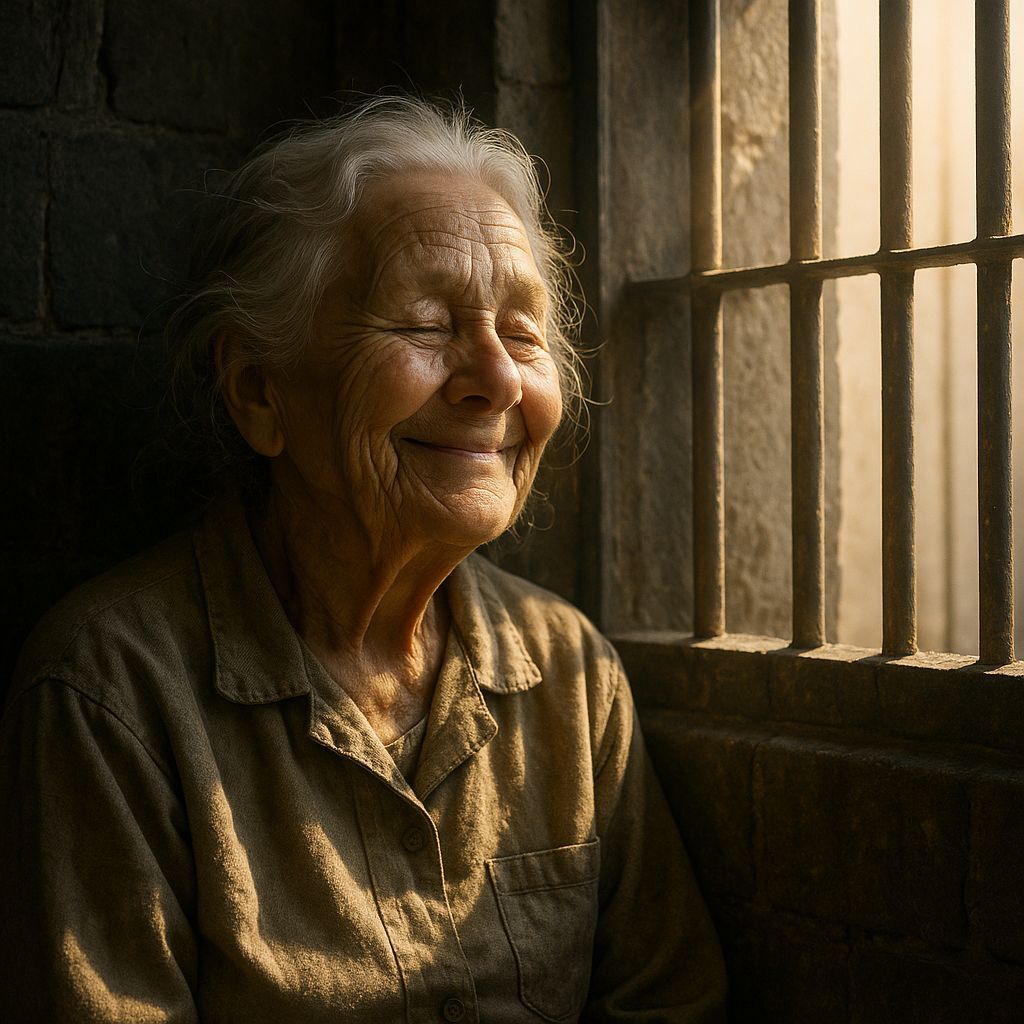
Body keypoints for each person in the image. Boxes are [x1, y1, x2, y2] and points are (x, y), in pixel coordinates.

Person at [1, 96, 726, 1022]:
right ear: (259, 392)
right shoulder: (112, 694)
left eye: (523, 332)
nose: (498, 379)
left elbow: (669, 1003)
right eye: (425, 326)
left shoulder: (571, 676)